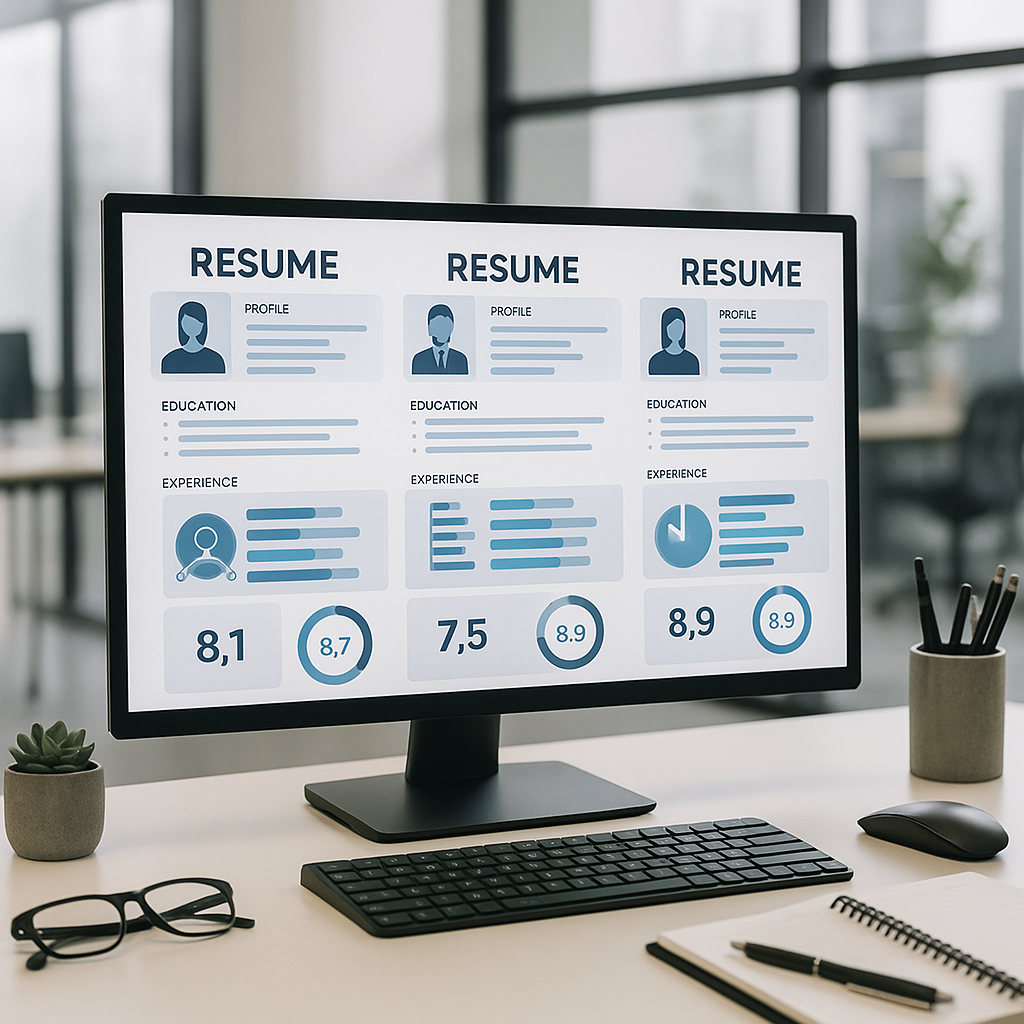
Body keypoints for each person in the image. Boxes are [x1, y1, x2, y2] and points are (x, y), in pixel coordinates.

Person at [161, 301, 225, 374]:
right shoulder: (169, 360)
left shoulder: (215, 360)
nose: (192, 326)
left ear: (203, 324)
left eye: (196, 322)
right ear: (181, 324)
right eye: (188, 322)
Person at [411, 303, 468, 374]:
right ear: (429, 329)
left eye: (446, 325)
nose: (442, 330)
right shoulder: (419, 359)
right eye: (438, 325)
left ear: (452, 328)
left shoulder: (460, 359)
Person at [648, 306, 699, 376]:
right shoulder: (655, 360)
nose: (677, 331)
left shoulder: (692, 360)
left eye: (680, 327)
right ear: (665, 329)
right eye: (673, 327)